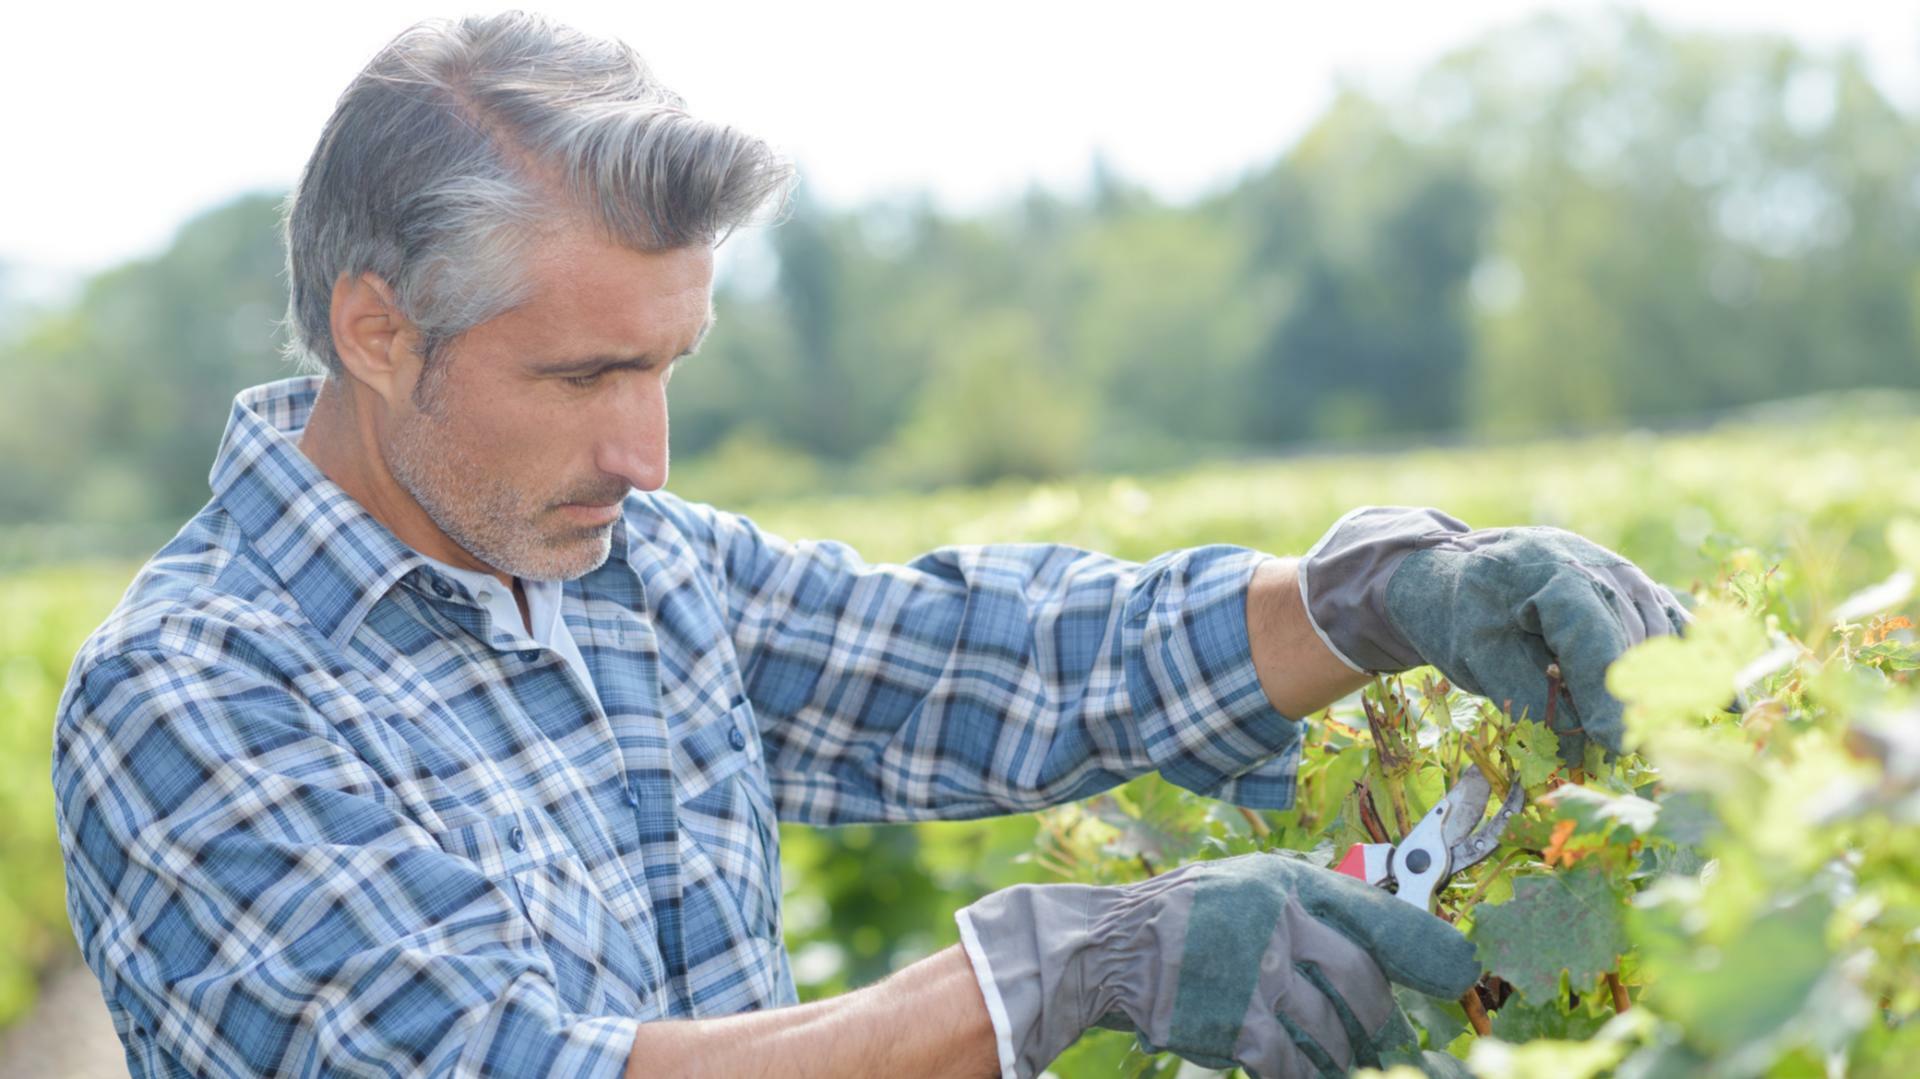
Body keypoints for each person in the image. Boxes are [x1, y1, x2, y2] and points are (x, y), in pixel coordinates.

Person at [51, 12, 1685, 1079]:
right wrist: (1049, 972)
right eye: (586, 374)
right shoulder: (197, 696)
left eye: (668, 366)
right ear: (379, 332)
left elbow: (991, 662)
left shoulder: (632, 570)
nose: (645, 451)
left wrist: (1369, 595)